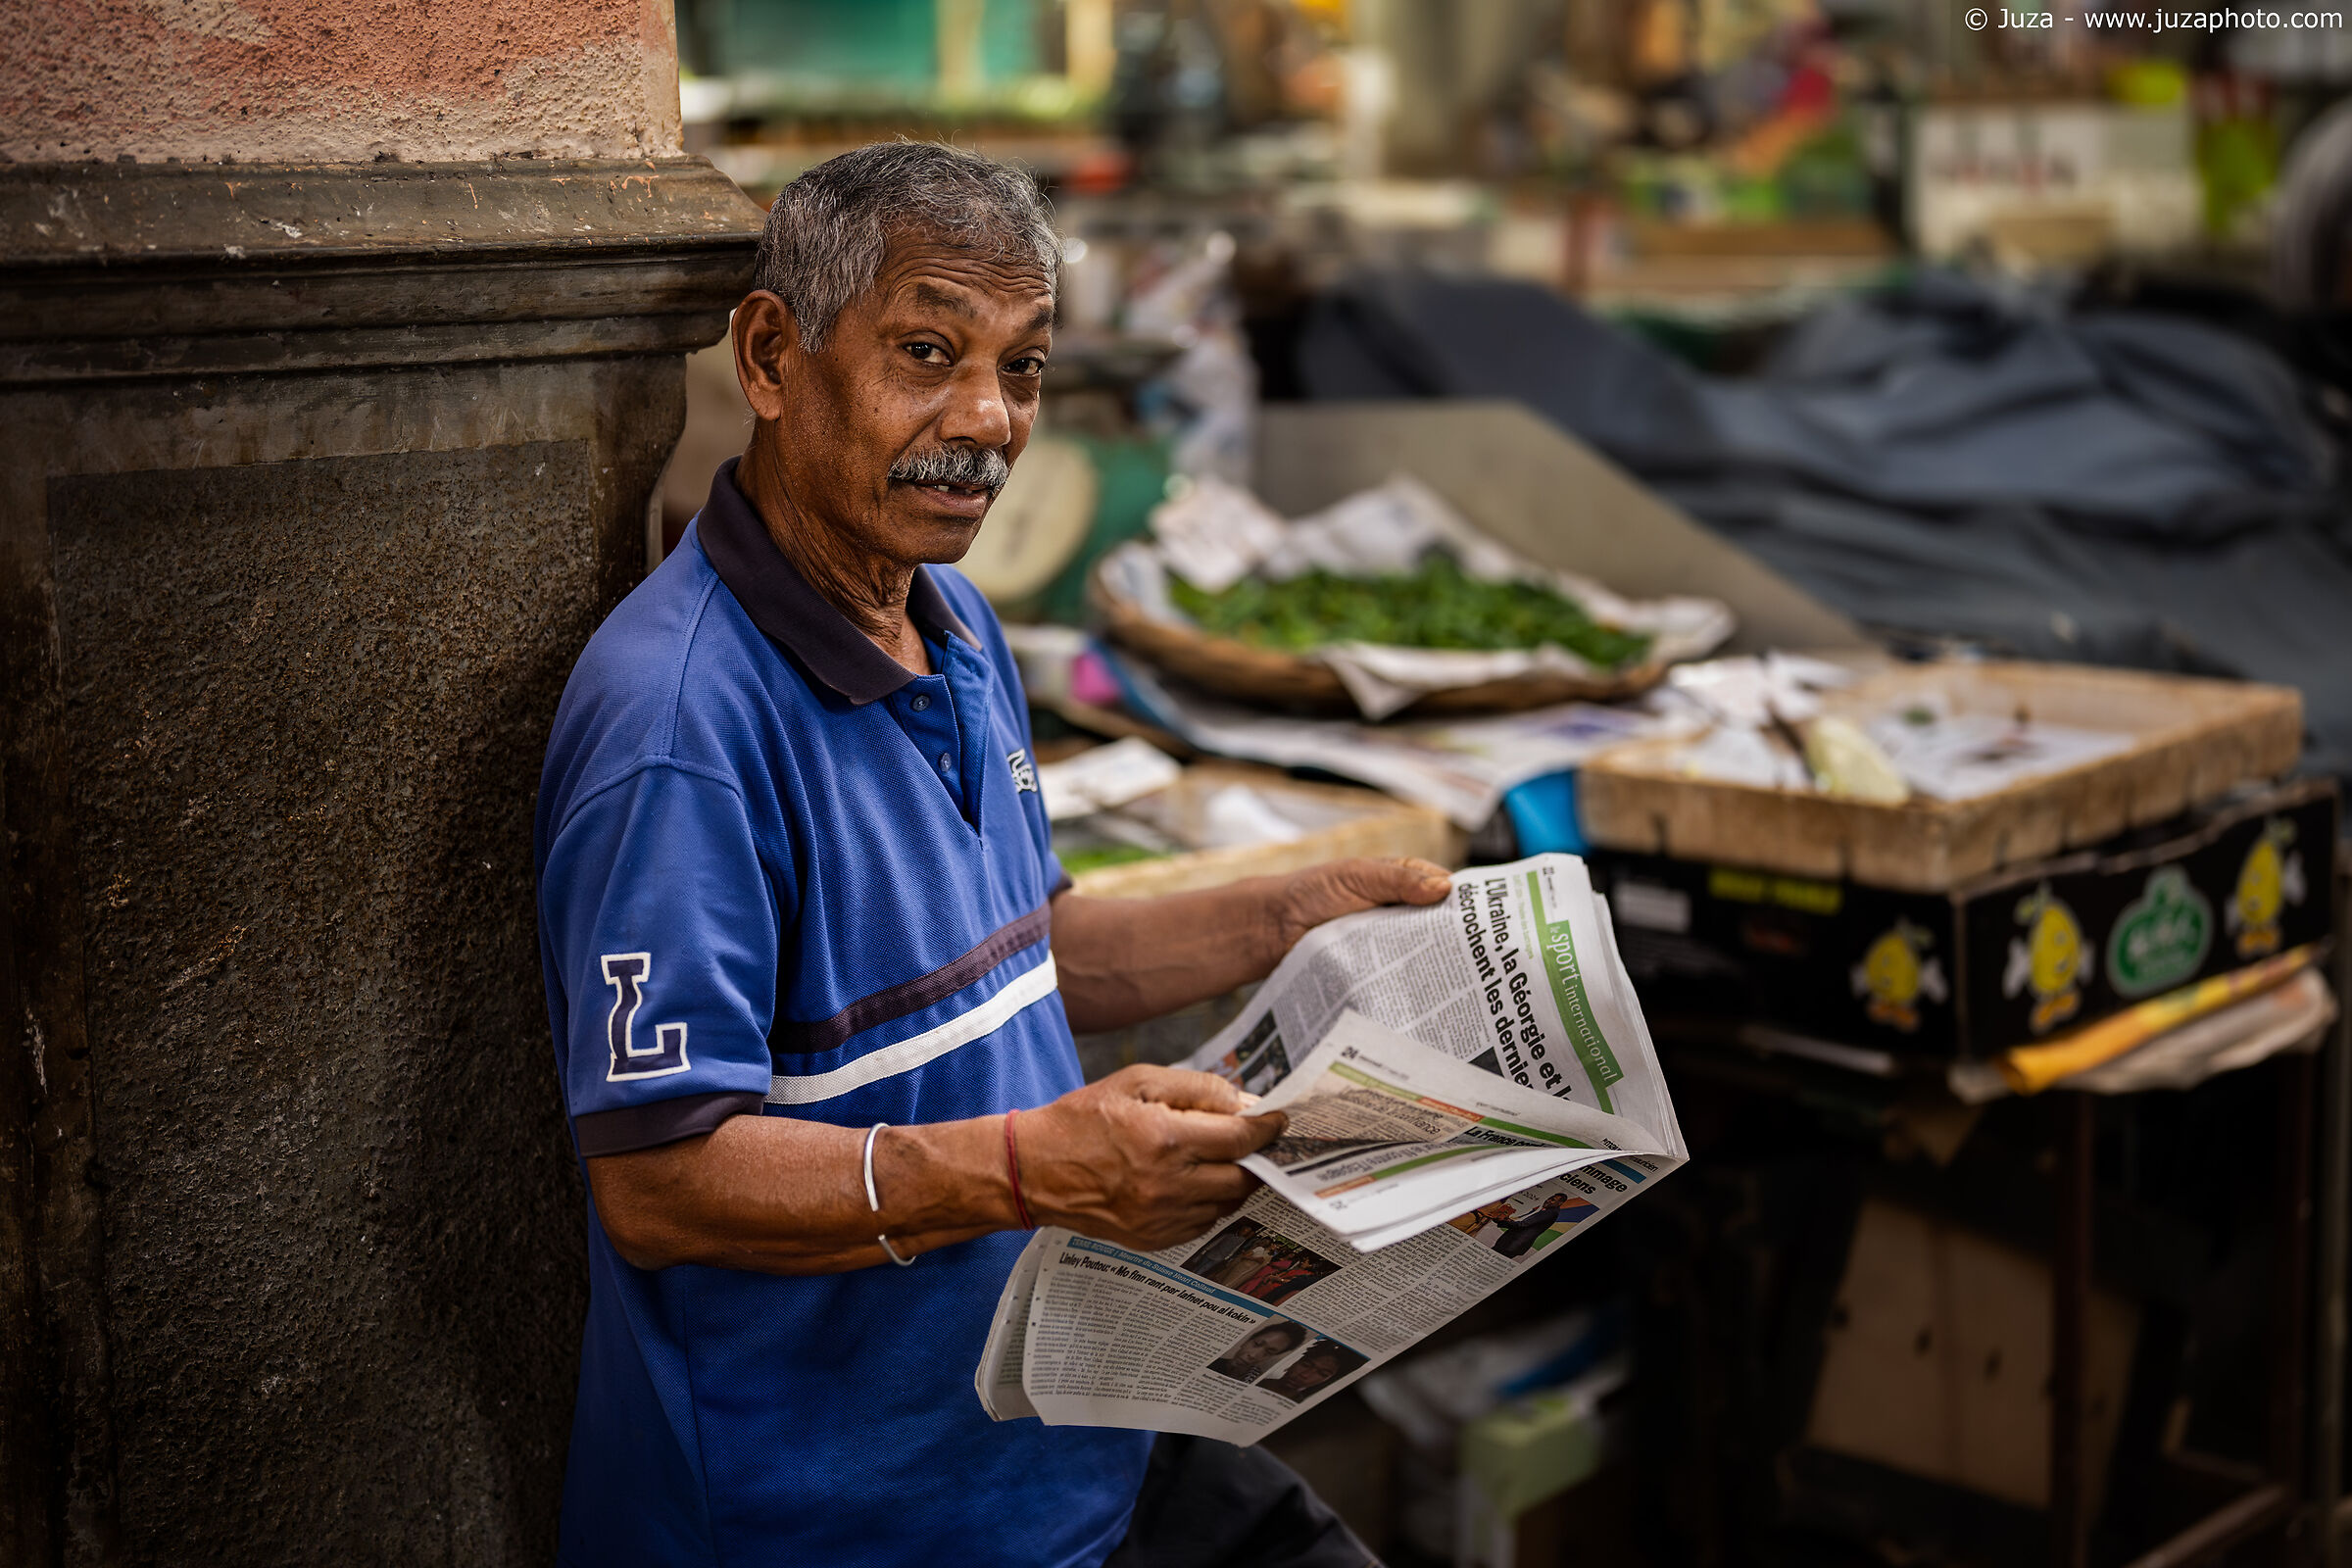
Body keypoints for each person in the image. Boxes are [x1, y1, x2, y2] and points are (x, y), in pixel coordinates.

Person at [536, 140, 1447, 1568]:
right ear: (771, 358)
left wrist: (1288, 913)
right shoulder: (681, 728)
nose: (986, 421)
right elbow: (660, 1182)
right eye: (926, 352)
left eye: (1021, 368)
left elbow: (1030, 952)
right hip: (852, 1523)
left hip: (1072, 1441)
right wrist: (1031, 1169)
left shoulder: (952, 625)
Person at [1207, 1320, 1309, 1382]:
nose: (1253, 1355)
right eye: (1257, 1344)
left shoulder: (1258, 1381)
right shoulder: (1210, 1363)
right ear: (1247, 1341)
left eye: (1269, 1352)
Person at [1491, 1192, 1580, 1259]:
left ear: (1560, 1203)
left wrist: (1501, 1220)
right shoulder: (1549, 1211)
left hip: (1511, 1245)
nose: (1548, 1200)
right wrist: (1506, 1220)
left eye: (1553, 1200)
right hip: (1512, 1245)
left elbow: (1522, 1225)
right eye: (1549, 1198)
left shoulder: (1550, 1212)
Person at [1259, 1343, 1354, 1402]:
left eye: (1323, 1374)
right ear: (1295, 1362)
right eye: (1306, 1365)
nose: (1305, 1375)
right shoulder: (1255, 1378)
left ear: (1326, 1380)